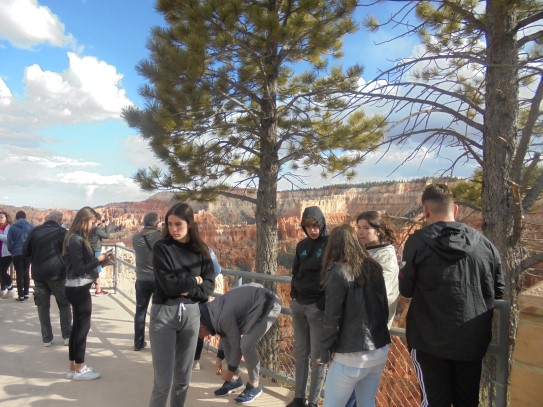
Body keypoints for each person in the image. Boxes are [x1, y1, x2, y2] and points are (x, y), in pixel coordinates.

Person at [399, 183, 505, 407]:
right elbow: (498, 290)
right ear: (455, 208)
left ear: (425, 211)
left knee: (434, 402)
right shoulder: (485, 244)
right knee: (467, 401)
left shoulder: (417, 242)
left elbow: (406, 289)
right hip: (471, 340)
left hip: (429, 341)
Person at [149, 202, 215, 407]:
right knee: (163, 382)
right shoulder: (162, 248)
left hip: (191, 315)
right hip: (164, 314)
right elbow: (168, 286)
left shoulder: (202, 250)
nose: (173, 229)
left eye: (178, 224)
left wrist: (187, 289)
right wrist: (194, 280)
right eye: (169, 224)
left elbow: (208, 288)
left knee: (183, 380)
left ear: (190, 224)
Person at [318, 224, 391, 407]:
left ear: (333, 246)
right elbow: (384, 307)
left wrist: (324, 350)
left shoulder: (338, 271)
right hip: (379, 350)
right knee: (367, 402)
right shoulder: (374, 267)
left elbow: (332, 317)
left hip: (351, 355)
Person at [199, 283, 282, 404]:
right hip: (256, 303)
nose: (199, 337)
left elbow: (236, 346)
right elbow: (225, 334)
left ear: (202, 325)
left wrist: (230, 371)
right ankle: (235, 380)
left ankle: (254, 385)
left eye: (198, 332)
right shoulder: (214, 313)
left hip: (269, 304)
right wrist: (219, 359)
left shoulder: (222, 317)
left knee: (246, 345)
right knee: (228, 337)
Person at [63, 206, 114, 381]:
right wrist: (99, 259)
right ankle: (80, 369)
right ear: (84, 221)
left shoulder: (73, 237)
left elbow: (80, 266)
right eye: (92, 222)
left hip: (75, 287)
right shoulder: (76, 240)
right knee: (82, 328)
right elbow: (79, 269)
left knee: (77, 328)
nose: (93, 226)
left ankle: (74, 367)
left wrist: (102, 262)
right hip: (79, 288)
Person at [287, 206, 328, 407]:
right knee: (301, 353)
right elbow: (296, 272)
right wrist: (294, 296)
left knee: (317, 358)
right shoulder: (301, 245)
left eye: (315, 225)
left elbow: (333, 274)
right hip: (299, 305)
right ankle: (298, 399)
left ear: (322, 224)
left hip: (316, 308)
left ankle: (312, 402)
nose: (312, 230)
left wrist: (321, 302)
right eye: (308, 226)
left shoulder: (329, 244)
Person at [23, 211, 72, 347]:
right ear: (60, 221)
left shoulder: (35, 231)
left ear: (47, 219)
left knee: (42, 307)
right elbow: (69, 253)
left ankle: (47, 339)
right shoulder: (63, 233)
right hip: (58, 274)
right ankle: (67, 336)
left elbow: (25, 251)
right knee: (64, 305)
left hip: (38, 274)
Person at [356, 211, 399, 328]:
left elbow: (381, 289)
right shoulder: (366, 250)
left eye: (366, 228)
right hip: (363, 316)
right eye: (359, 227)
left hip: (375, 320)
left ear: (378, 231)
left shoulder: (386, 256)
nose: (360, 232)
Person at [132, 212, 161, 351]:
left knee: (140, 311)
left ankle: (138, 343)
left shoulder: (135, 237)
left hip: (141, 279)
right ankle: (157, 343)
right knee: (157, 312)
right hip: (157, 280)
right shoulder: (160, 236)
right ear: (156, 223)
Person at [192, 245, 222, 371]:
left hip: (186, 291)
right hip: (201, 292)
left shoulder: (179, 248)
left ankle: (182, 357)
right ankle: (195, 361)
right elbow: (217, 270)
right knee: (199, 325)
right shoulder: (205, 249)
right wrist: (206, 280)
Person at [7, 210, 33, 302]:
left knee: (19, 273)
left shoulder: (12, 227)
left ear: (16, 217)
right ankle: (26, 294)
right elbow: (33, 240)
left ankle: (20, 296)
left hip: (17, 253)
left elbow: (9, 241)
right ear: (25, 217)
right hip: (27, 252)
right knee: (26, 273)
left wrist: (12, 250)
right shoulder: (30, 226)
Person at [89, 217, 112, 296]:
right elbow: (107, 235)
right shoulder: (95, 229)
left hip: (91, 250)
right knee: (97, 270)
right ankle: (98, 290)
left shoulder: (91, 228)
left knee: (94, 269)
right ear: (97, 220)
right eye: (101, 220)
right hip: (96, 251)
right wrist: (107, 226)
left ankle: (95, 288)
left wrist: (101, 225)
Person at [0, 211, 14, 298]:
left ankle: (10, 289)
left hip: (6, 254)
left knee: (2, 272)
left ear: (6, 218)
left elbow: (8, 239)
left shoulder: (9, 227)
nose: (0, 219)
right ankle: (3, 290)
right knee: (2, 272)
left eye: (1, 217)